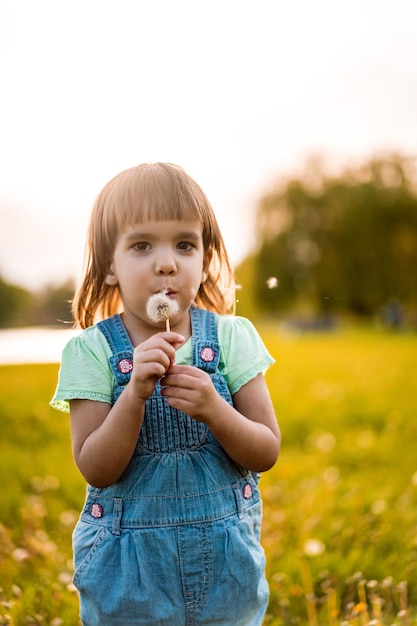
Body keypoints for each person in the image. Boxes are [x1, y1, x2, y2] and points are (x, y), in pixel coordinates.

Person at [51, 162, 280, 626]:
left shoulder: (233, 337)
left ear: (205, 256)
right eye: (141, 245)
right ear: (109, 267)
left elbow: (266, 451)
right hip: (128, 576)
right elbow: (96, 466)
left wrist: (216, 409)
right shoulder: (91, 351)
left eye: (184, 244)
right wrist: (133, 394)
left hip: (226, 575)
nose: (166, 262)